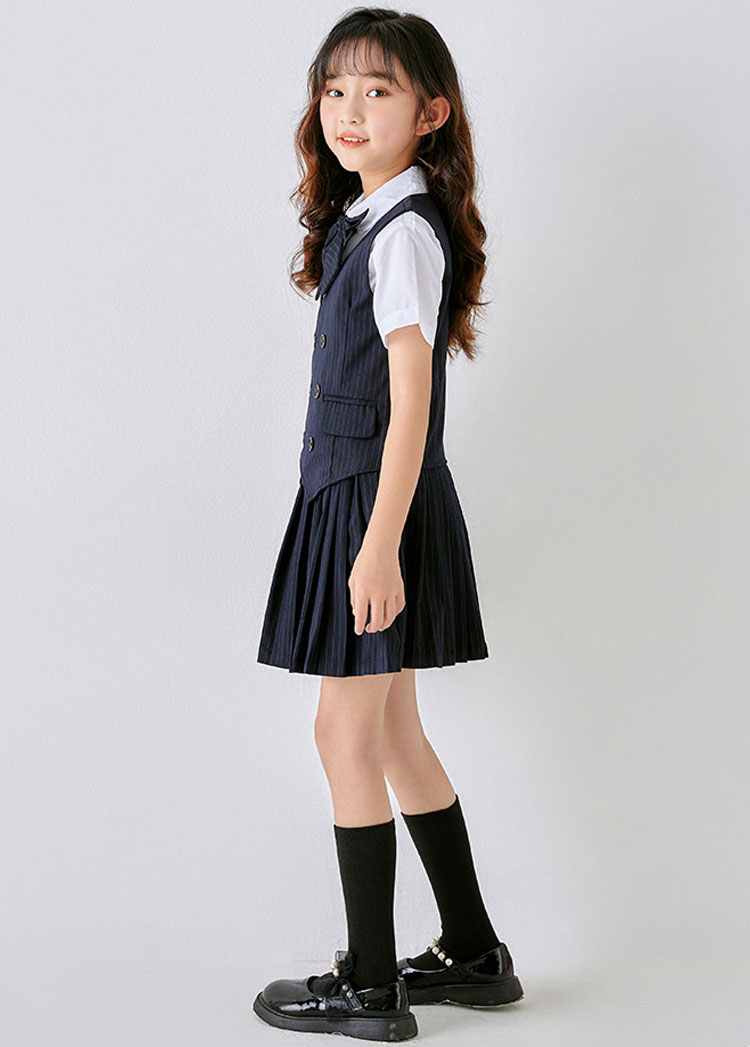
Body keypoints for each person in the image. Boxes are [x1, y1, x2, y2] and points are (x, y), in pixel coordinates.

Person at [253, 8, 523, 1041]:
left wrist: (375, 546)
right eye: (335, 90)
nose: (350, 110)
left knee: (343, 732)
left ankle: (371, 984)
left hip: (375, 505)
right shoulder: (372, 219)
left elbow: (413, 406)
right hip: (361, 496)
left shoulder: (402, 233)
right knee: (396, 732)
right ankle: (473, 952)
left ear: (431, 112)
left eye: (378, 91)